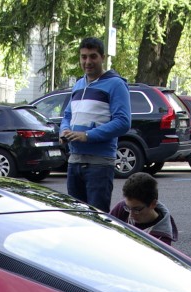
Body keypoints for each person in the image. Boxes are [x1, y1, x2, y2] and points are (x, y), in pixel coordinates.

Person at [59, 37, 131, 211]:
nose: (87, 62)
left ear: (103, 57)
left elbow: (123, 122)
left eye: (93, 57)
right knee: (76, 218)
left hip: (99, 164)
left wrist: (88, 135)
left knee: (97, 220)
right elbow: (67, 115)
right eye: (83, 57)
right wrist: (64, 131)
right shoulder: (78, 84)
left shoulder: (116, 84)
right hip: (74, 161)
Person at [109, 171, 178, 244]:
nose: (131, 215)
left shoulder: (162, 240)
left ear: (153, 204)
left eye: (137, 209)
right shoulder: (122, 208)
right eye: (128, 208)